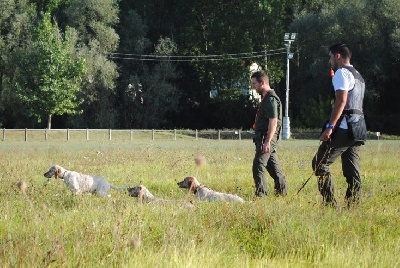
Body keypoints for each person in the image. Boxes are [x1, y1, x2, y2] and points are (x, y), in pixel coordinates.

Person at [312, 43, 366, 207]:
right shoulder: (358, 75)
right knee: (351, 169)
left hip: (344, 128)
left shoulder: (341, 73)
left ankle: (330, 205)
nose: (329, 61)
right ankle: (353, 206)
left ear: (337, 56)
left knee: (319, 164)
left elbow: (341, 101)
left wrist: (330, 126)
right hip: (358, 128)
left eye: (330, 57)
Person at [251, 70, 287, 197]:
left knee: (258, 166)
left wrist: (267, 141)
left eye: (254, 84)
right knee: (273, 168)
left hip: (267, 138)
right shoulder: (265, 98)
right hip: (264, 138)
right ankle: (281, 193)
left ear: (263, 82)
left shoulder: (271, 99)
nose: (253, 87)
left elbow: (273, 121)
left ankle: (261, 195)